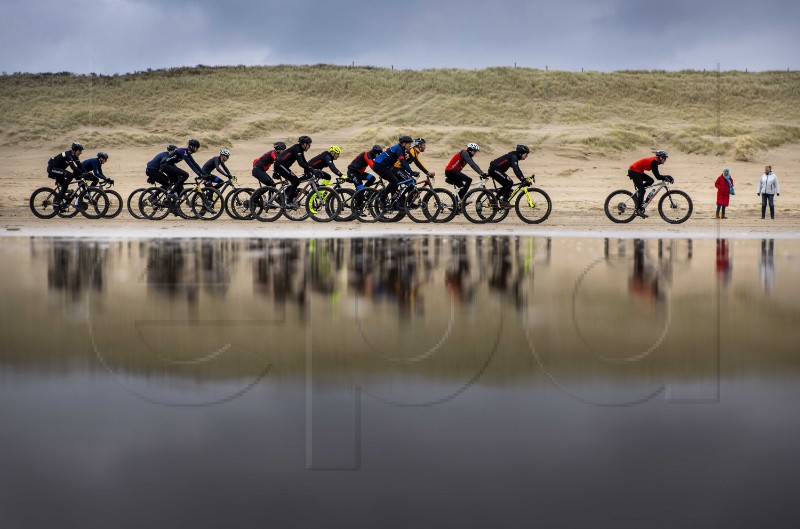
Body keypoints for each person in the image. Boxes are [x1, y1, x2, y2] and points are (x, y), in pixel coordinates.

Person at [627, 149, 672, 218]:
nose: (665, 160)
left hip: (638, 172)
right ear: (660, 157)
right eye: (664, 158)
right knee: (642, 190)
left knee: (651, 181)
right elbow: (658, 177)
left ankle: (639, 190)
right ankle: (638, 210)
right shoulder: (654, 162)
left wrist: (666, 177)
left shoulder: (655, 161)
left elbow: (657, 177)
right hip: (634, 172)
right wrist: (668, 176)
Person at [372, 136, 416, 202]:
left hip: (385, 166)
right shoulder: (399, 149)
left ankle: (393, 201)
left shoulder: (401, 149)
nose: (410, 145)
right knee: (394, 181)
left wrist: (411, 171)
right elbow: (402, 162)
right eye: (409, 144)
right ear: (404, 144)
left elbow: (405, 162)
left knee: (396, 181)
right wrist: (411, 172)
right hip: (379, 166)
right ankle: (382, 199)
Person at [273, 135, 316, 204]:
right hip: (280, 165)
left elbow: (304, 162)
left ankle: (280, 198)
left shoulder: (300, 149)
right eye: (308, 144)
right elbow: (301, 163)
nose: (309, 146)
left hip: (283, 166)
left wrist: (312, 169)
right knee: (295, 181)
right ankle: (289, 201)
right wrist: (312, 170)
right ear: (304, 144)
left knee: (295, 181)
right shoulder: (297, 149)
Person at [47, 142, 86, 207]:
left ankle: (60, 204)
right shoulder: (68, 155)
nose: (81, 152)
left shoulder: (74, 156)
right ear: (75, 150)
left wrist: (86, 173)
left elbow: (80, 165)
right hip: (52, 168)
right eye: (80, 151)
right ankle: (57, 201)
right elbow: (73, 167)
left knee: (65, 186)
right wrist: (82, 173)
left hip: (58, 170)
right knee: (70, 175)